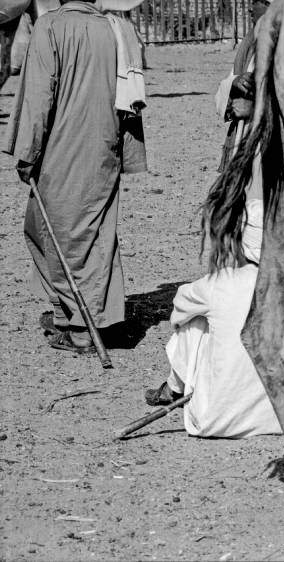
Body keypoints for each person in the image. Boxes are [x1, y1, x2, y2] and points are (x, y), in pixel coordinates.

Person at [4, 0, 147, 353]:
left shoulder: (50, 27)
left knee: (67, 233)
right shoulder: (116, 29)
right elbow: (133, 98)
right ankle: (68, 313)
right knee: (65, 228)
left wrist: (27, 152)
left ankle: (84, 329)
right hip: (103, 144)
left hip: (61, 146)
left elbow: (38, 96)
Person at [145, 199, 284, 438]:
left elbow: (179, 307)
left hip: (219, 418)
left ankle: (174, 388)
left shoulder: (221, 284)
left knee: (195, 322)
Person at [214, 0, 269, 198]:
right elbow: (224, 89)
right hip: (243, 141)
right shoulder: (250, 41)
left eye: (257, 2)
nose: (250, 8)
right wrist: (235, 82)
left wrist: (255, 111)